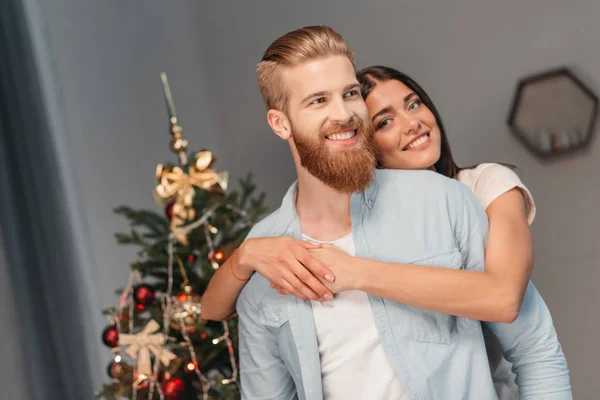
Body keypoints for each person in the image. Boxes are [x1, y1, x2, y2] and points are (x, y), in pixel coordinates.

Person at [202, 26, 571, 399]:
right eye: (318, 101)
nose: (343, 114)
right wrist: (248, 254)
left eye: (349, 94)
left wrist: (353, 272)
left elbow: (534, 347)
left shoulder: (447, 201)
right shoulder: (267, 258)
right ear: (280, 123)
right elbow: (216, 314)